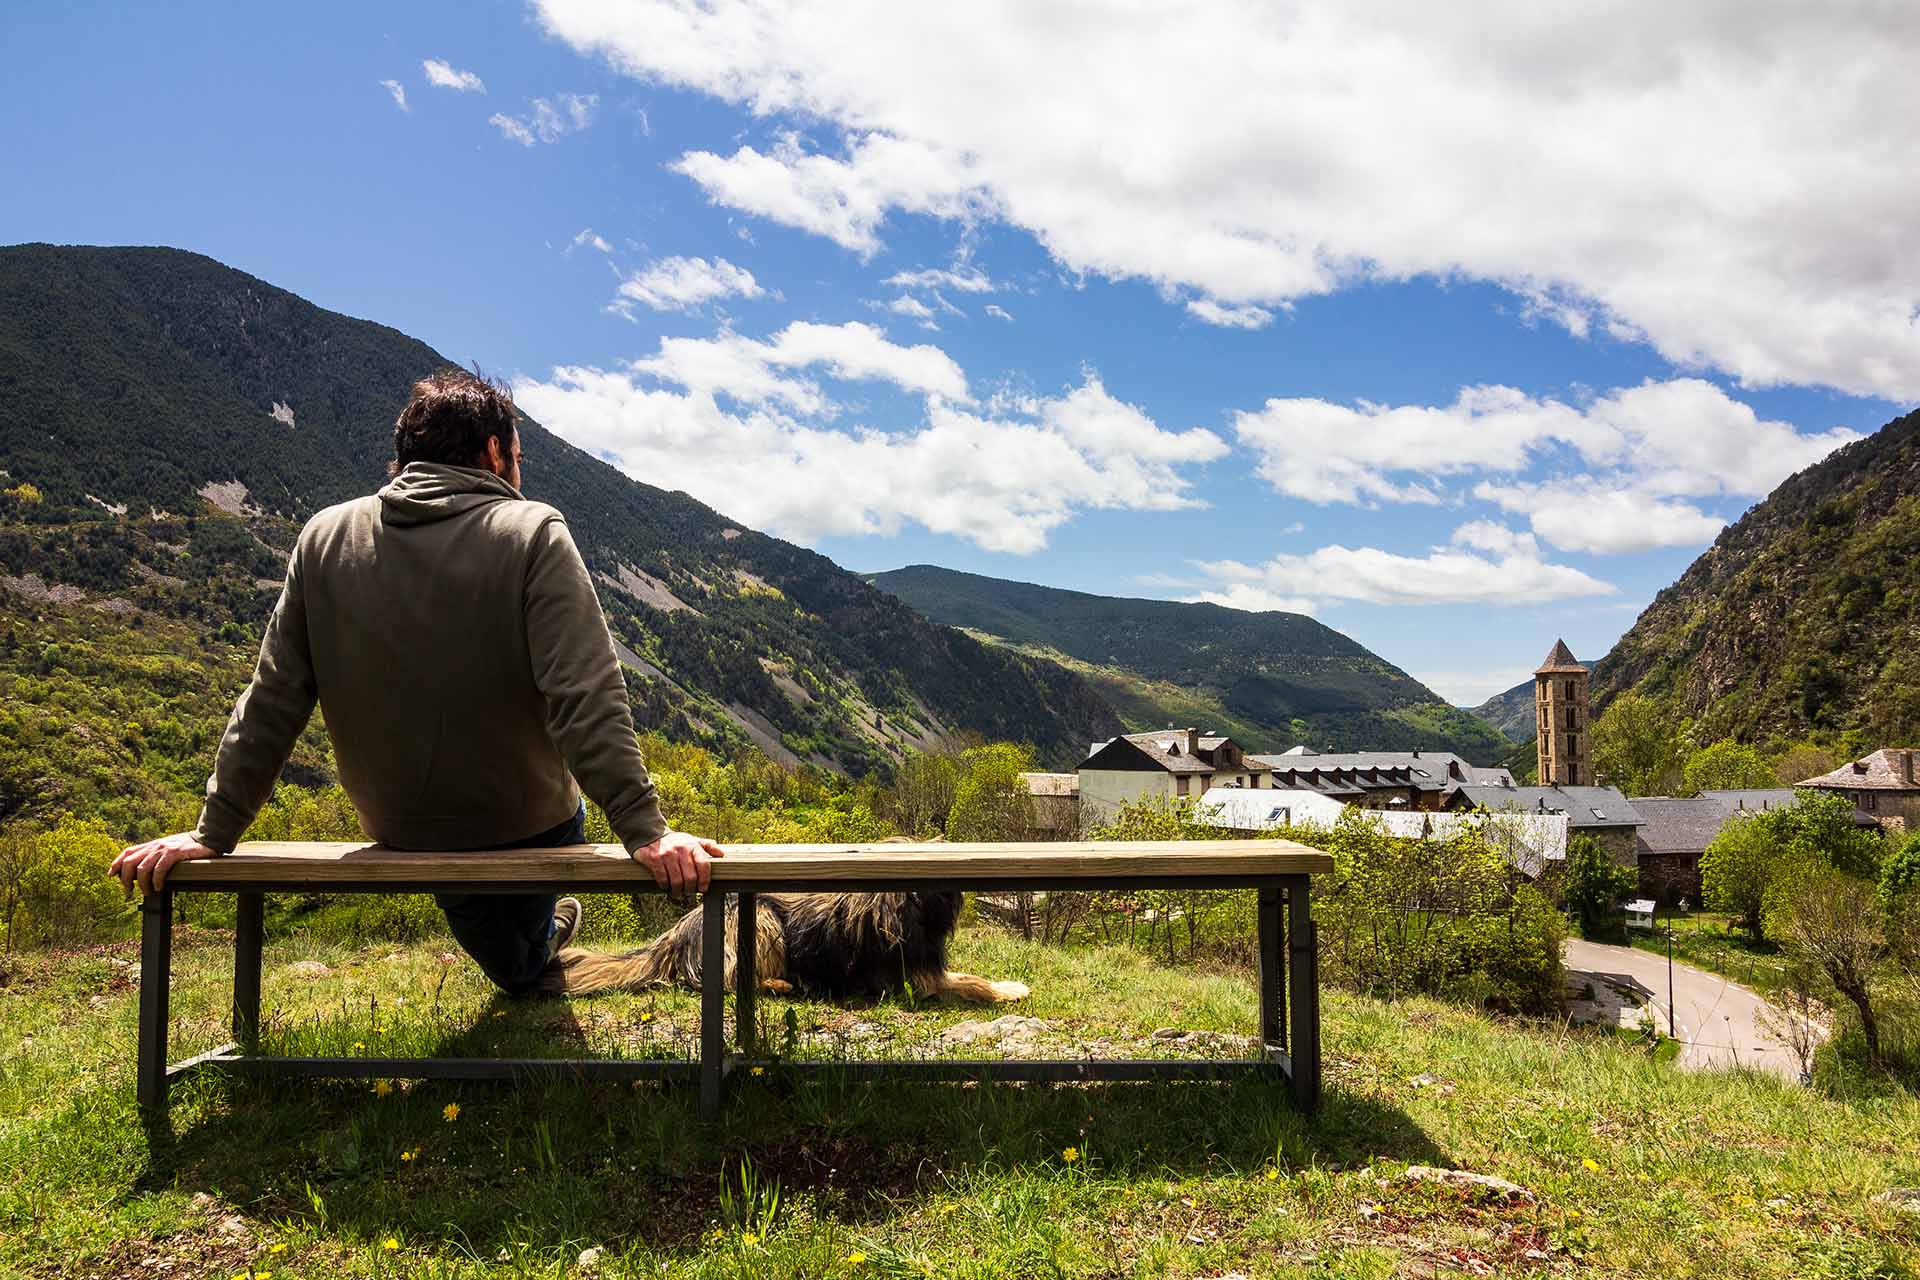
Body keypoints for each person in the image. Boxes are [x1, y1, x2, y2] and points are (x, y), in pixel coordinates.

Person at [109, 370, 721, 995]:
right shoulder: (532, 531)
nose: (520, 470)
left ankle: (539, 932)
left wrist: (214, 830)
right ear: (492, 452)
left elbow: (272, 699)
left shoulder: (323, 537)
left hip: (398, 823)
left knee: (510, 949)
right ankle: (543, 931)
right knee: (522, 958)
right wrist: (647, 828)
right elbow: (585, 695)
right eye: (518, 455)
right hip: (526, 819)